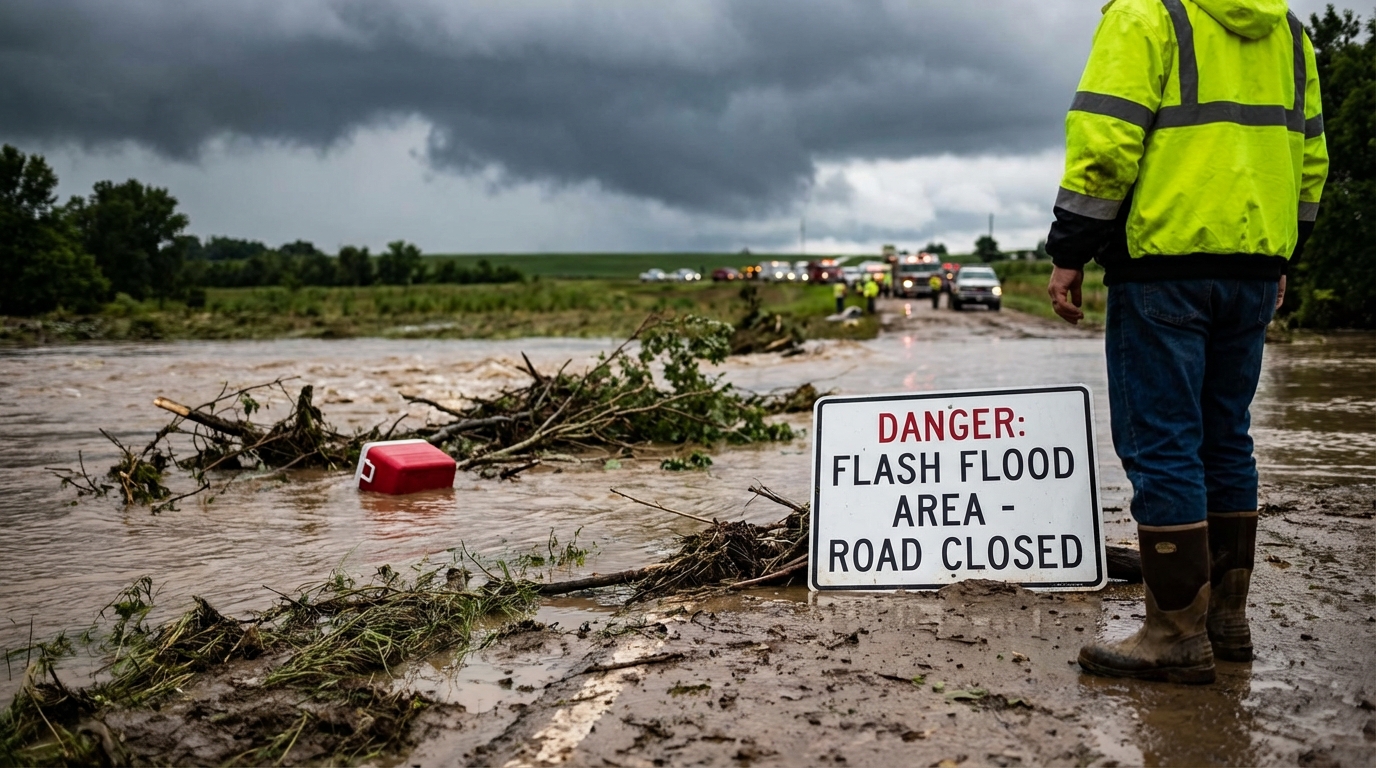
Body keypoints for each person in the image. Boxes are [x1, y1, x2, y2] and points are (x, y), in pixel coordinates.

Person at [1046, 0, 1327, 684]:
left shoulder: (1145, 15)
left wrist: (1070, 250)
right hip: (1256, 263)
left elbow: (1105, 141)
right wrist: (1282, 255)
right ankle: (1226, 620)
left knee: (1163, 439)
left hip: (1165, 262)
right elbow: (1311, 156)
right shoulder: (1289, 31)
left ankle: (1174, 632)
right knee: (1227, 435)